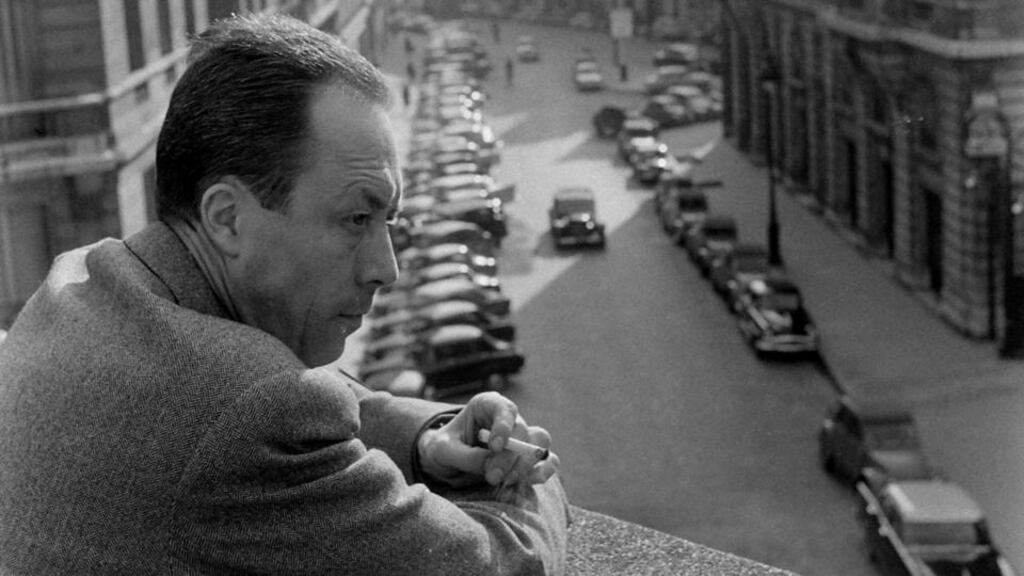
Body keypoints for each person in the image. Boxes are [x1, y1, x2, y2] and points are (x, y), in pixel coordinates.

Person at [0, 13, 569, 575]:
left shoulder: (79, 282)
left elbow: (288, 400)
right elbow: (502, 566)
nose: (386, 268)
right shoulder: (243, 413)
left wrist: (424, 441)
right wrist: (529, 472)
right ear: (227, 218)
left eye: (390, 221)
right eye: (356, 218)